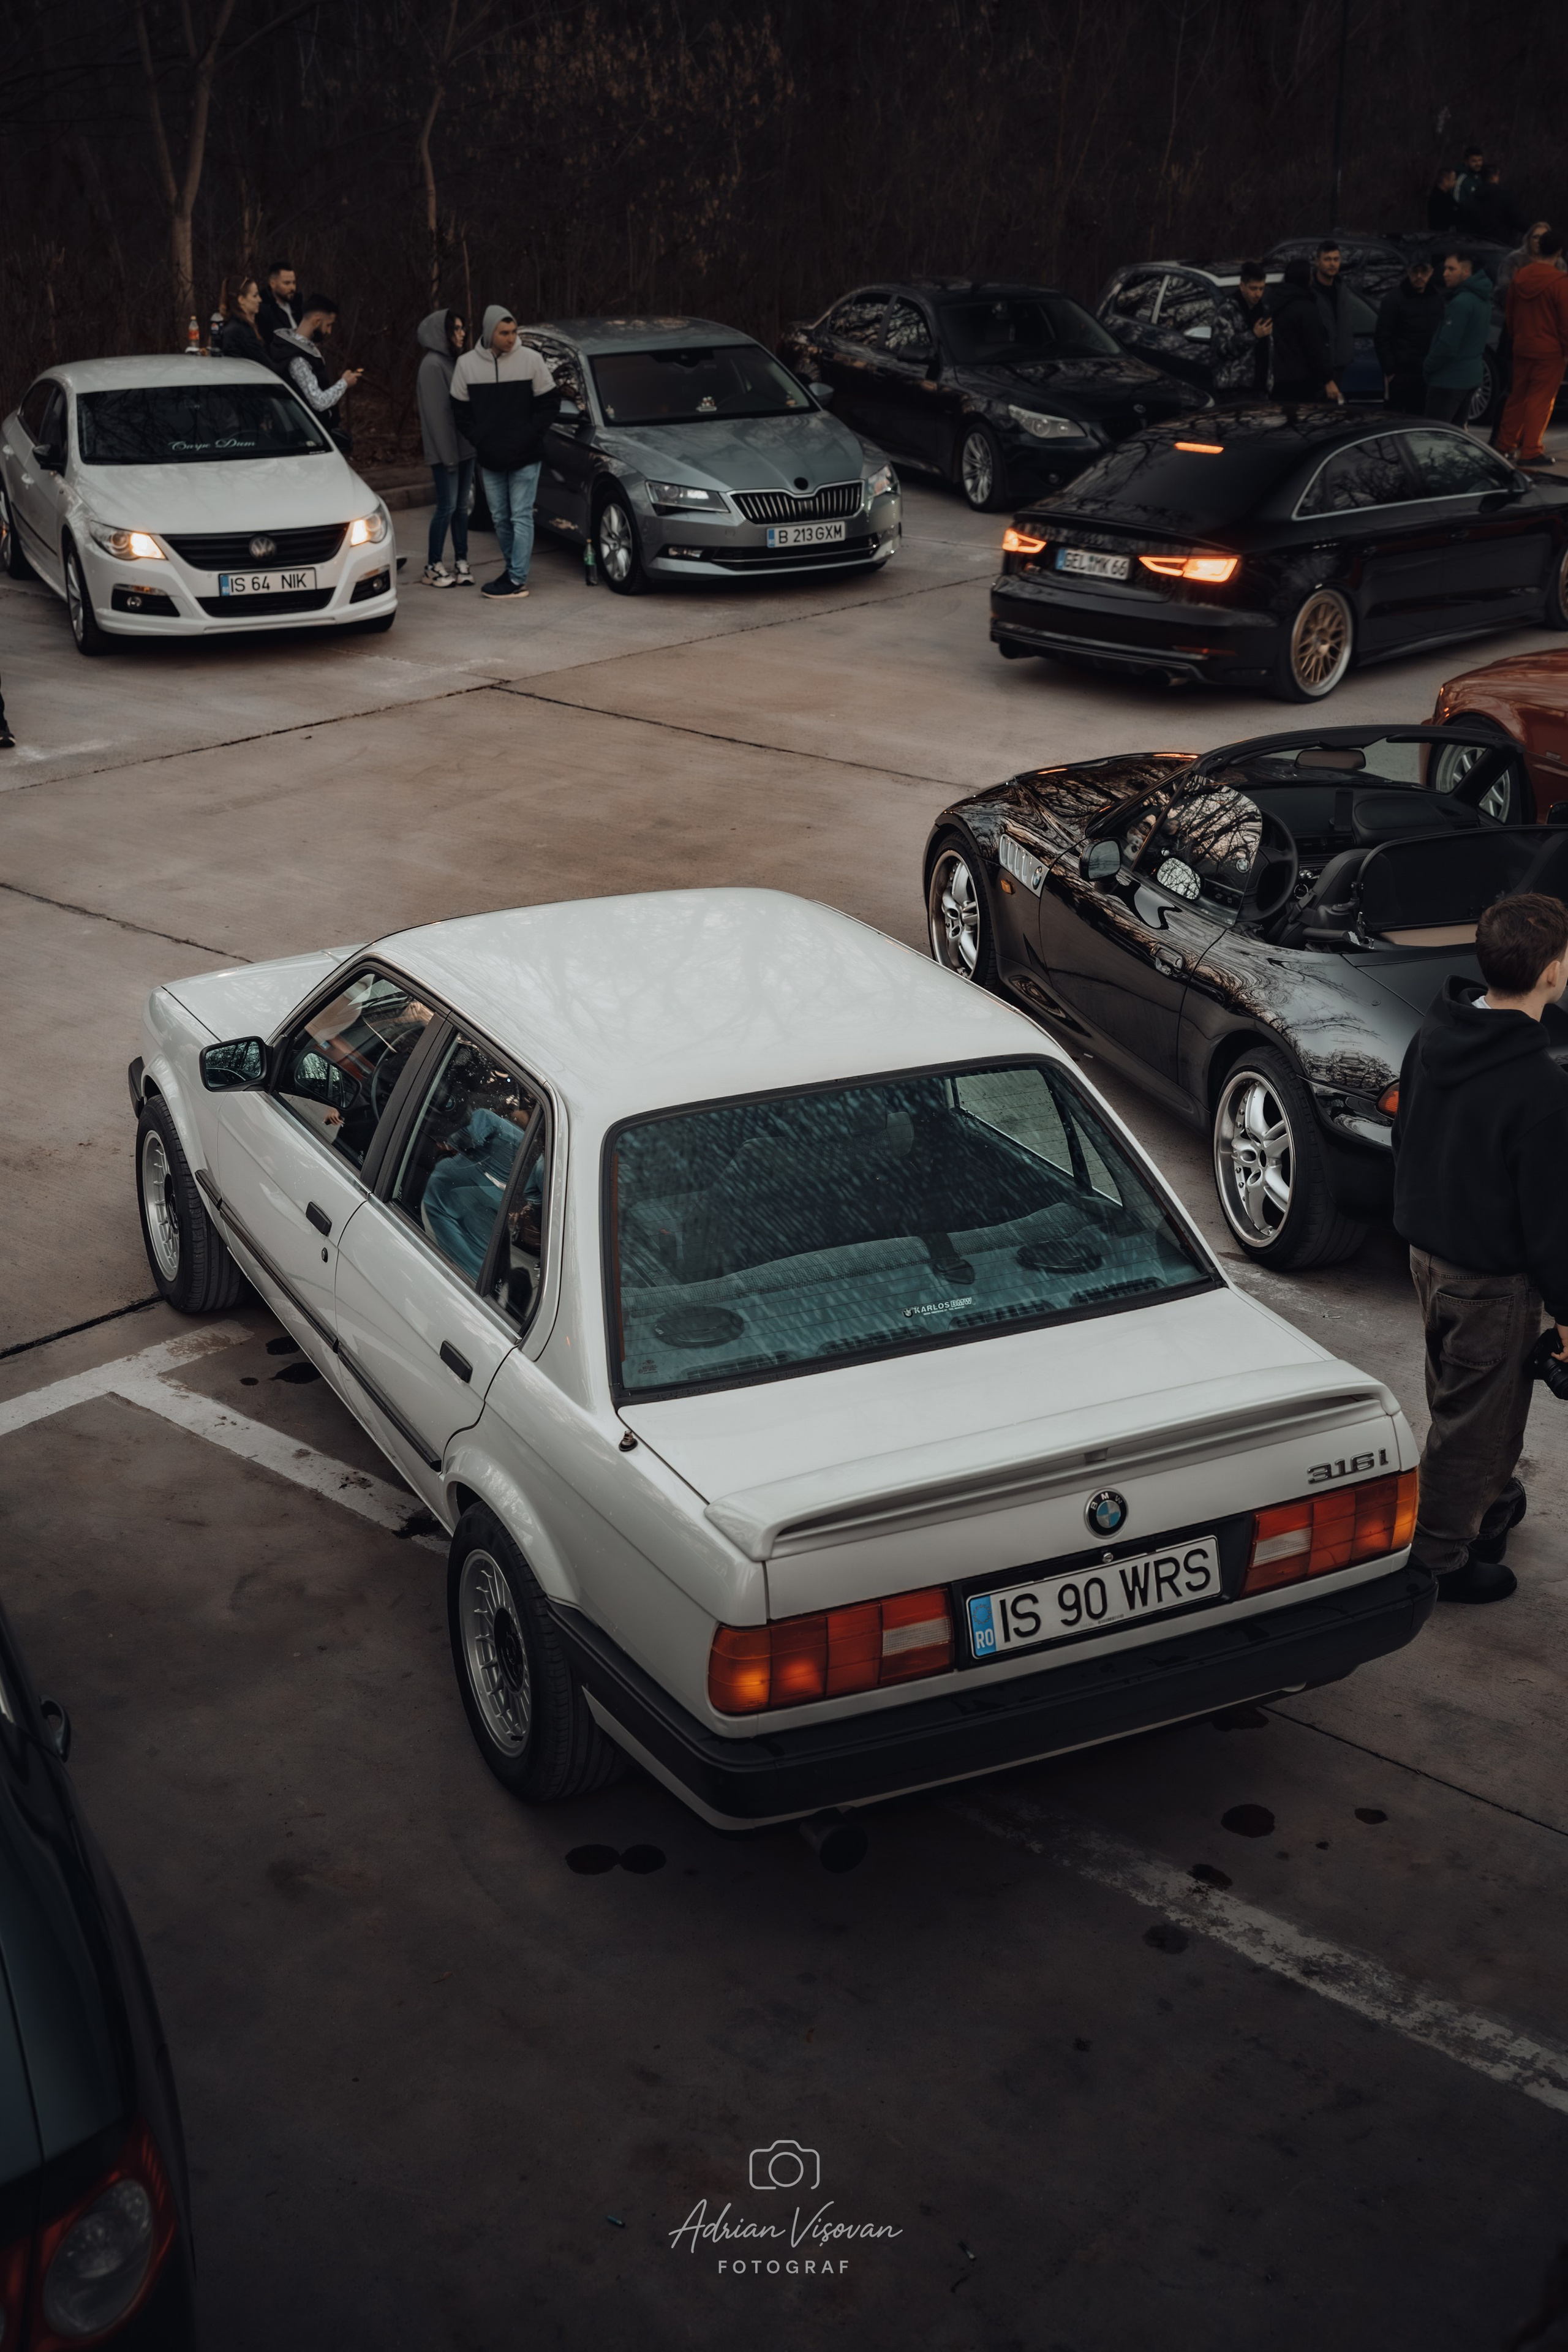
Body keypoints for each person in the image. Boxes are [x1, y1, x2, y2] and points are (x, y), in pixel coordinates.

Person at [1392, 892, 1568, 1603]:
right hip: (1490, 1283)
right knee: (1475, 1424)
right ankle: (1437, 1563)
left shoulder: (1433, 1036)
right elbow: (1554, 1218)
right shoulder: (1540, 1089)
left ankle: (1489, 1506)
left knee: (1458, 1399)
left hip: (1427, 1258)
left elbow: (1405, 1140)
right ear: (1552, 972)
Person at [449, 306, 560, 601]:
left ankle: (516, 578)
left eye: (514, 332)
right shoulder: (467, 365)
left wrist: (529, 435)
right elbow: (459, 411)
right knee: (500, 518)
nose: (511, 338)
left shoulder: (531, 360)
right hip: (490, 455)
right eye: (504, 333)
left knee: (521, 516)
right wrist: (480, 439)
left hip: (527, 454)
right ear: (489, 333)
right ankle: (513, 571)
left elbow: (550, 404)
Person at [415, 309, 475, 586]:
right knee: (447, 507)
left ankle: (461, 561)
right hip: (445, 453)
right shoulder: (432, 365)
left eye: (463, 328)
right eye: (457, 329)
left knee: (461, 507)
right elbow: (437, 417)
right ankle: (433, 565)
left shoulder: (456, 362)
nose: (462, 333)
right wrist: (449, 458)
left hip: (464, 450)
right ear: (442, 333)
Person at [1498, 231, 1568, 467]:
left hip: (1523, 345)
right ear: (1560, 252)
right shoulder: (1560, 282)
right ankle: (1531, 449)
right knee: (1542, 400)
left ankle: (1505, 444)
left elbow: (1511, 313)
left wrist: (1517, 336)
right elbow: (1566, 322)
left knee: (1518, 396)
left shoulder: (1520, 277)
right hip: (1549, 350)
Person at [270, 296, 362, 450]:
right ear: (316, 320)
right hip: (305, 439)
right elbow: (318, 402)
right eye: (328, 325)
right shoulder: (297, 358)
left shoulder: (303, 348)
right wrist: (344, 383)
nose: (329, 331)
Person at [1422, 250, 1493, 421]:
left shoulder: (1462, 303)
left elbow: (1447, 345)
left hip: (1449, 380)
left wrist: (1428, 366)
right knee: (1455, 434)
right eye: (1445, 268)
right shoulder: (1482, 299)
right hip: (1470, 377)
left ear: (1466, 272)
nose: (1445, 274)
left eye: (1451, 269)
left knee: (1436, 435)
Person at [1376, 253, 1444, 413]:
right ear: (1408, 271)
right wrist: (1391, 371)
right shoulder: (1394, 300)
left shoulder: (1437, 299)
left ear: (1431, 271)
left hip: (1428, 375)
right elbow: (1382, 337)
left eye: (1424, 271)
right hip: (1403, 374)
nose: (1419, 276)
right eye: (1415, 271)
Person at [1268, 258, 1335, 402]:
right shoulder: (1306, 308)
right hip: (1304, 383)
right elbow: (1316, 346)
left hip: (1277, 381)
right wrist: (1328, 379)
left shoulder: (1273, 303)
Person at [1213, 262, 1272, 397]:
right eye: (1254, 289)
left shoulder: (1264, 309)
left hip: (1261, 388)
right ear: (1242, 286)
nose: (1258, 294)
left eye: (1261, 289)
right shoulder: (1228, 310)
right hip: (1235, 390)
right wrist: (1253, 335)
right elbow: (1222, 349)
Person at [1310, 241, 1354, 402]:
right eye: (1327, 259)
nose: (1332, 264)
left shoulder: (1342, 289)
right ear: (1317, 261)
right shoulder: (1311, 292)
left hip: (1340, 366)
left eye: (1336, 259)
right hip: (1317, 370)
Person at [217, 275, 270, 366]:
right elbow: (267, 365)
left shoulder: (227, 325)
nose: (260, 300)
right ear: (241, 300)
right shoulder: (241, 330)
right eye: (255, 296)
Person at [1469, 164, 1526, 246]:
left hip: (1474, 244)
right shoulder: (1504, 197)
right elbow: (1518, 220)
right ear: (1495, 176)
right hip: (1499, 244)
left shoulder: (1473, 197)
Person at [1498, 221, 1556, 293]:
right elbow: (1503, 289)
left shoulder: (1558, 262)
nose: (1539, 241)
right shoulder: (1514, 259)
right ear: (1529, 239)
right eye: (1536, 237)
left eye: (1544, 238)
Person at [255, 262, 298, 348]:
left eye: (294, 283)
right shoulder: (263, 311)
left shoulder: (298, 306)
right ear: (273, 283)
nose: (292, 288)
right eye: (287, 283)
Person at [1455, 145, 1488, 218]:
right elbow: (1456, 205)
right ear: (1466, 162)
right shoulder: (1461, 180)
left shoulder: (1484, 177)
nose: (1478, 164)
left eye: (1480, 160)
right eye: (1474, 161)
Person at [1427, 167, 1461, 233]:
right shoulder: (1438, 198)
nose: (1455, 182)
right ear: (1445, 181)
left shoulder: (1447, 195)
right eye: (1453, 180)